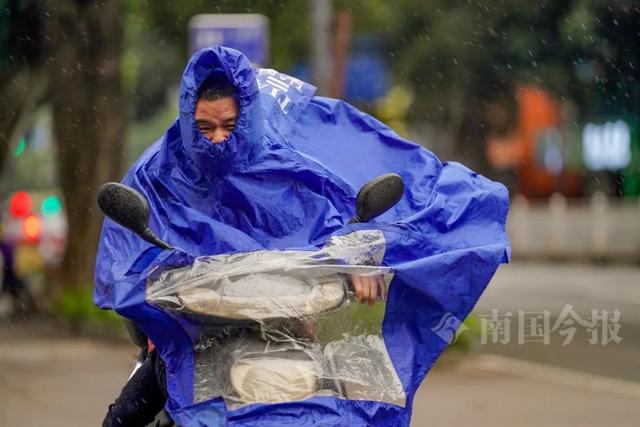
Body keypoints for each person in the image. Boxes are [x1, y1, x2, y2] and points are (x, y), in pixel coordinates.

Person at [96, 46, 509, 426]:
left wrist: (359, 253)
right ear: (188, 118)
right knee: (143, 394)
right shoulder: (161, 170)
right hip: (200, 326)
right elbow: (128, 249)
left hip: (302, 324)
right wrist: (156, 281)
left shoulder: (296, 159)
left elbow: (351, 200)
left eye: (229, 125)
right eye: (204, 127)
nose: (218, 138)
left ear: (248, 117)